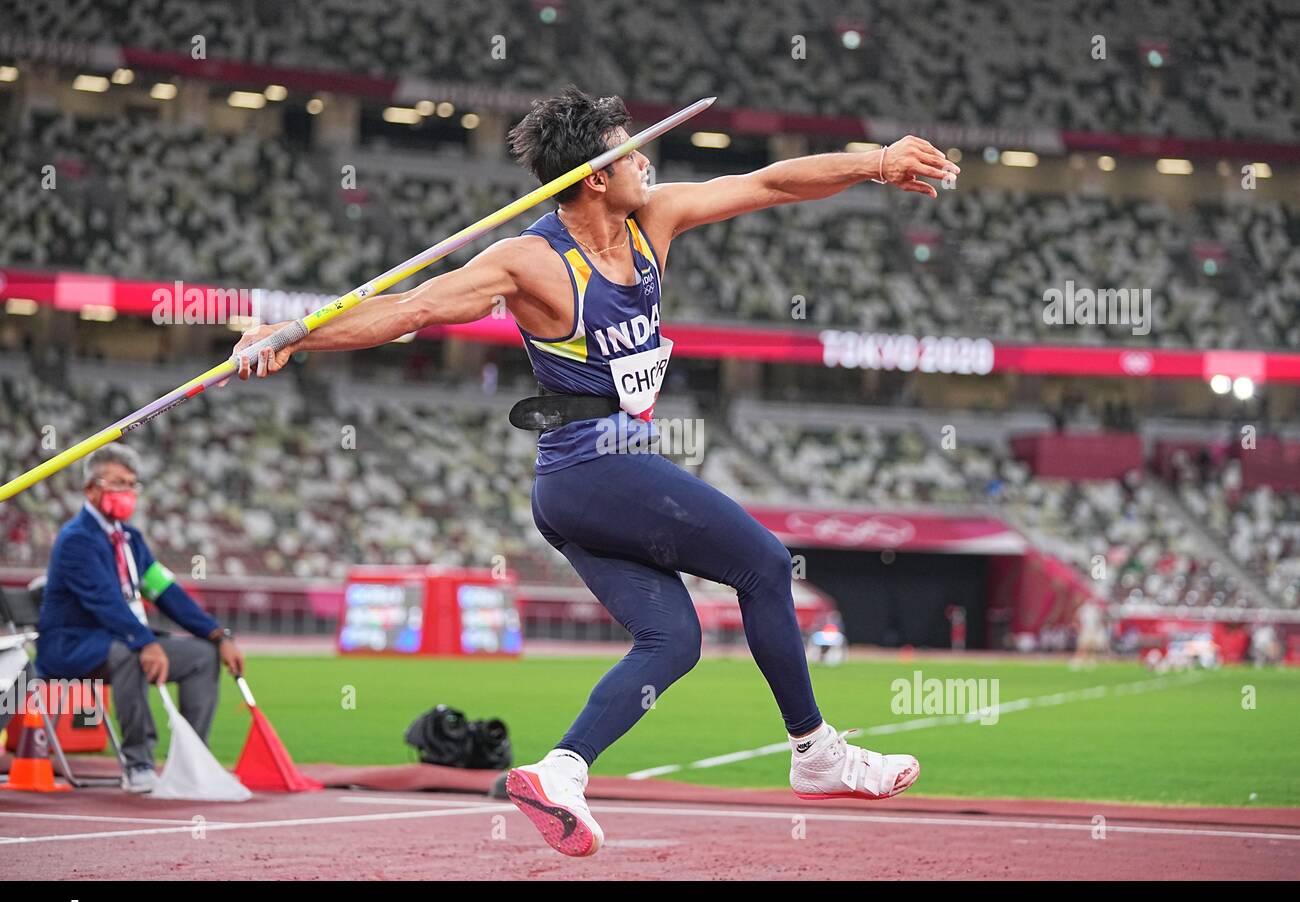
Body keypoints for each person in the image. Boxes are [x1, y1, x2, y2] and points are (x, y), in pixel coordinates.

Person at [234, 86, 957, 856]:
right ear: (593, 178)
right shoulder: (530, 262)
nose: (646, 159)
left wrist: (874, 163)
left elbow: (771, 184)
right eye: (628, 151)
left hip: (596, 482)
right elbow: (413, 309)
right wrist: (293, 335)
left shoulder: (655, 221)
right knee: (765, 564)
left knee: (672, 639)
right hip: (591, 469)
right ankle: (816, 752)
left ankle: (560, 771)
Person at [36, 444, 245, 792]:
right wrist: (146, 641)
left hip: (121, 639)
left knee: (200, 656)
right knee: (130, 652)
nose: (127, 493)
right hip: (72, 646)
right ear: (92, 488)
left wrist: (217, 635)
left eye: (132, 484)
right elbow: (105, 603)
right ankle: (139, 763)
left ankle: (193, 760)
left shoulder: (130, 539)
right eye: (118, 483)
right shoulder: (76, 540)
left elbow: (165, 593)